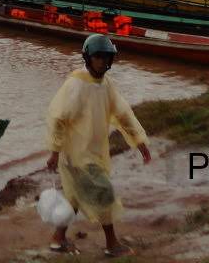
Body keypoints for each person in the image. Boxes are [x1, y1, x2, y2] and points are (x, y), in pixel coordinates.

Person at [45, 34, 151, 257]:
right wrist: (54, 152)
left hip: (93, 152)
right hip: (77, 154)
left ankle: (58, 239)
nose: (102, 61)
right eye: (98, 57)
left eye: (106, 57)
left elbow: (123, 113)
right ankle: (112, 245)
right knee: (104, 192)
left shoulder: (106, 84)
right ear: (88, 57)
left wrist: (139, 140)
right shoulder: (76, 83)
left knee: (73, 197)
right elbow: (58, 118)